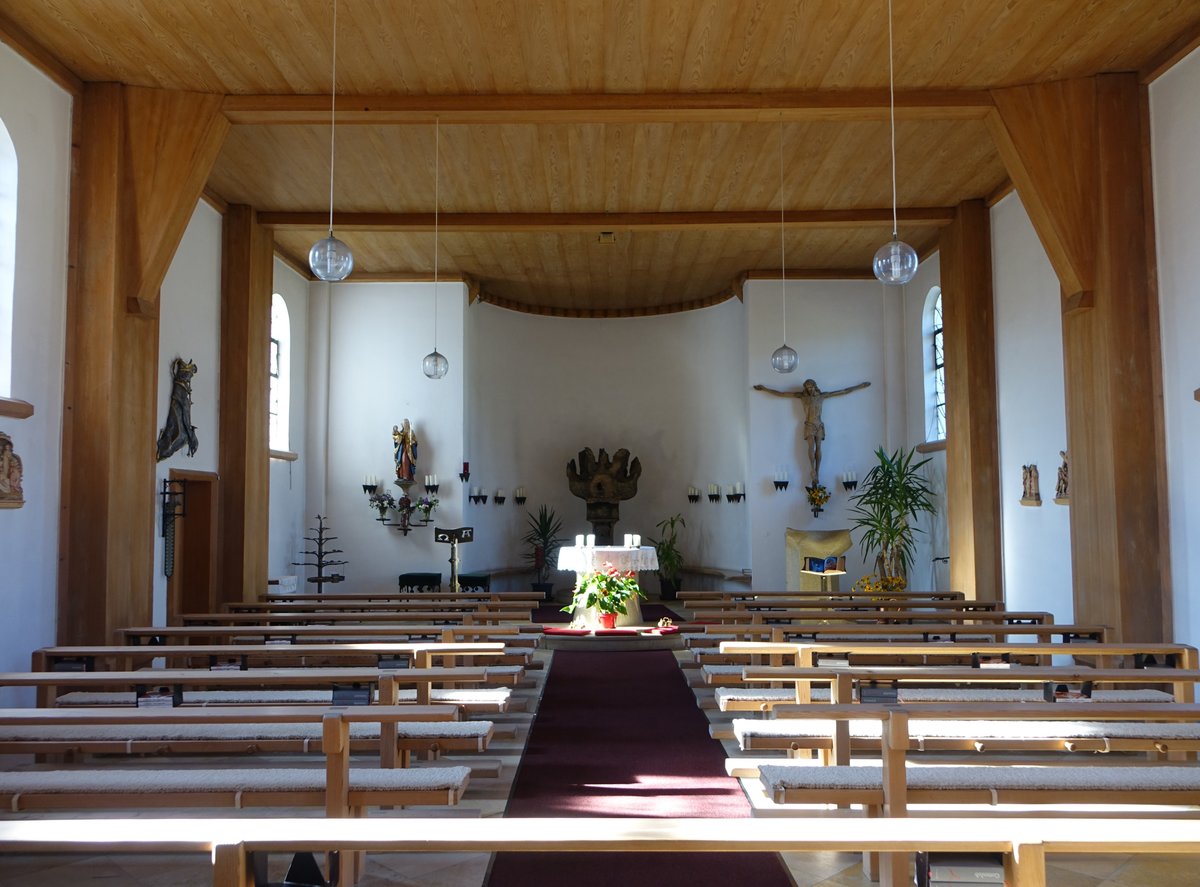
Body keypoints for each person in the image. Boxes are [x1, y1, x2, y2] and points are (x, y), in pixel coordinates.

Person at [754, 378, 870, 484]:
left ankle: (817, 473)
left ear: (814, 386)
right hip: (809, 424)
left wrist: (860, 386)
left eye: (811, 387)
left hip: (819, 425)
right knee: (811, 447)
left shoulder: (822, 396)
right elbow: (781, 394)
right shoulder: (802, 397)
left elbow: (844, 391)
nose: (809, 389)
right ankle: (812, 469)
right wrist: (764, 389)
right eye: (807, 388)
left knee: (819, 447)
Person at [393, 419, 418, 484]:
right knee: (400, 462)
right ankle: (401, 476)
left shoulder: (411, 432)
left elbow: (415, 441)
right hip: (401, 449)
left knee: (405, 461)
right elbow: (396, 438)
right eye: (404, 423)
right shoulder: (401, 432)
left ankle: (406, 476)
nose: (405, 424)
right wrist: (395, 432)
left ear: (408, 424)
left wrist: (413, 442)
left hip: (408, 450)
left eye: (406, 423)